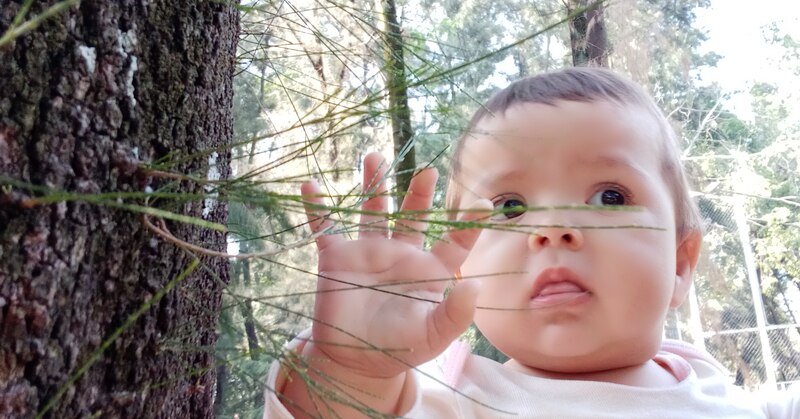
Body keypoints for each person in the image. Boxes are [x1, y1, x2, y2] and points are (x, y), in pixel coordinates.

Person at [263, 67, 800, 418]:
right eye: (508, 207)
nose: (550, 229)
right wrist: (353, 370)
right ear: (457, 275)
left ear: (681, 263)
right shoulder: (449, 402)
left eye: (610, 197)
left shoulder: (736, 403)